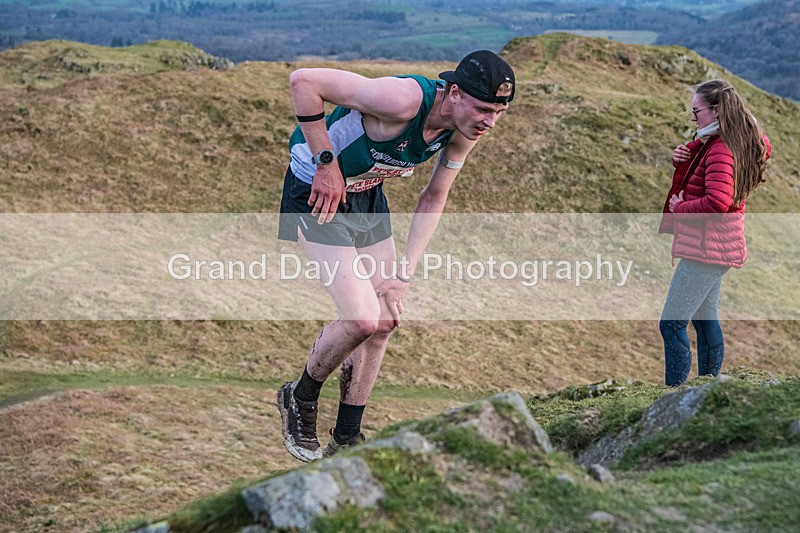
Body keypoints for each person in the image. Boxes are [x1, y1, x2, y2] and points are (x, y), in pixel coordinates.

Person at [275, 50, 515, 461]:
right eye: (483, 109)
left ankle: (346, 437)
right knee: (361, 319)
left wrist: (404, 272)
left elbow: (434, 197)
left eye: (498, 113)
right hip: (316, 192)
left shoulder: (463, 130)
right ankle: (300, 396)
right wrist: (326, 164)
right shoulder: (402, 100)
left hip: (366, 197)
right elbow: (304, 82)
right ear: (455, 93)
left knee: (385, 320)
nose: (489, 122)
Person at [658, 79, 771, 387]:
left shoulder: (721, 149)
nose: (694, 118)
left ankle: (675, 394)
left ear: (717, 110)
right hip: (716, 246)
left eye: (697, 111)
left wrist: (680, 207)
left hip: (706, 248)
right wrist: (685, 157)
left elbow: (717, 202)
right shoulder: (726, 141)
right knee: (705, 318)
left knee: (671, 324)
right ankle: (707, 388)